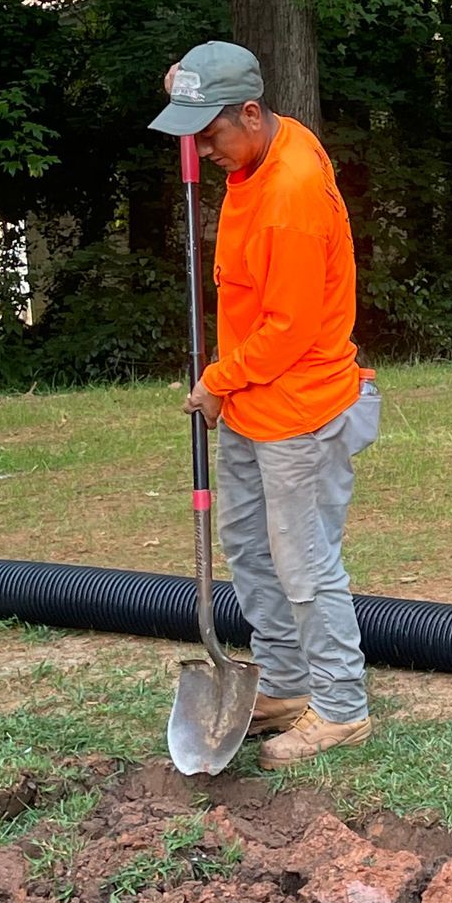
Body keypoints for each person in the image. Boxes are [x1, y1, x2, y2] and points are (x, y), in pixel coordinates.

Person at [149, 40, 379, 771]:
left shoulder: (290, 193)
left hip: (299, 411)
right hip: (255, 404)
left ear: (250, 113)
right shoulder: (257, 147)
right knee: (250, 549)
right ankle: (284, 681)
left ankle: (340, 709)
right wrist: (186, 90)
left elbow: (290, 328)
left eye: (209, 132)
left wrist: (216, 381)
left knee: (304, 566)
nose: (202, 148)